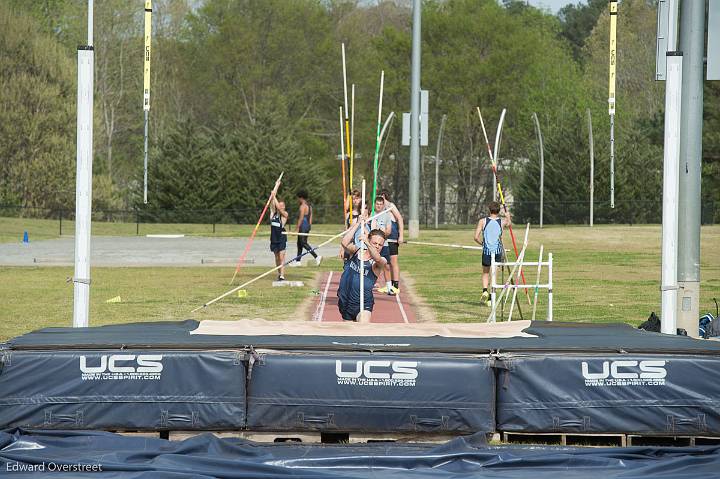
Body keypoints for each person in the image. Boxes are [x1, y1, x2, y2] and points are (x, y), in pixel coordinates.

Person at [337, 215, 388, 322]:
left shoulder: (379, 261)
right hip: (345, 300)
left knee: (363, 328)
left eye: (380, 245)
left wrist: (368, 244)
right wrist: (358, 224)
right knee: (348, 335)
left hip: (363, 303)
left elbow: (377, 258)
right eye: (375, 243)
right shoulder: (357, 251)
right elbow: (344, 242)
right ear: (369, 240)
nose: (377, 246)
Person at [474, 201, 511, 306]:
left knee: (485, 273)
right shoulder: (502, 221)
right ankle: (491, 296)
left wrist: (482, 244)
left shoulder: (482, 221)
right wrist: (508, 216)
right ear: (498, 211)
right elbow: (509, 224)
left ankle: (485, 291)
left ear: (489, 210)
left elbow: (475, 237)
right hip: (498, 252)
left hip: (486, 251)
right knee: (494, 274)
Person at [379, 190, 404, 295]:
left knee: (393, 262)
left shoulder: (391, 206)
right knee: (385, 262)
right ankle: (388, 285)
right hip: (384, 239)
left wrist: (401, 235)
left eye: (381, 198)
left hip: (392, 238)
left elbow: (400, 219)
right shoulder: (380, 208)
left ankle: (396, 285)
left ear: (385, 196)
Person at [293, 190, 322, 266]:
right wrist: (309, 226)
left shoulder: (302, 206)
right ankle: (298, 261)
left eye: (298, 198)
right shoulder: (309, 206)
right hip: (307, 226)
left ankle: (316, 256)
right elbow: (311, 218)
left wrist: (296, 229)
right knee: (299, 244)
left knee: (303, 243)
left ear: (301, 198)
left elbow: (301, 218)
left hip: (303, 226)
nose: (298, 200)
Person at [370, 196, 393, 294]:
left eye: (380, 204)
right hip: (374, 245)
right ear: (375, 205)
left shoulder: (387, 215)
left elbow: (389, 230)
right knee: (371, 265)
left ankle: (389, 287)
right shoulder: (372, 214)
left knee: (386, 266)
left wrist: (383, 233)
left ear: (383, 205)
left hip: (384, 244)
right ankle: (369, 285)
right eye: (377, 204)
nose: (379, 206)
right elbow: (370, 231)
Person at [269, 186, 288, 281]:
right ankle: (279, 273)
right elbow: (272, 201)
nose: (281, 206)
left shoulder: (285, 215)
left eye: (282, 205)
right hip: (273, 238)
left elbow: (279, 209)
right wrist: (276, 187)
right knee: (276, 257)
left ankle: (282, 275)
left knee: (281, 257)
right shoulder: (273, 214)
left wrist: (274, 196)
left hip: (281, 238)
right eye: (280, 205)